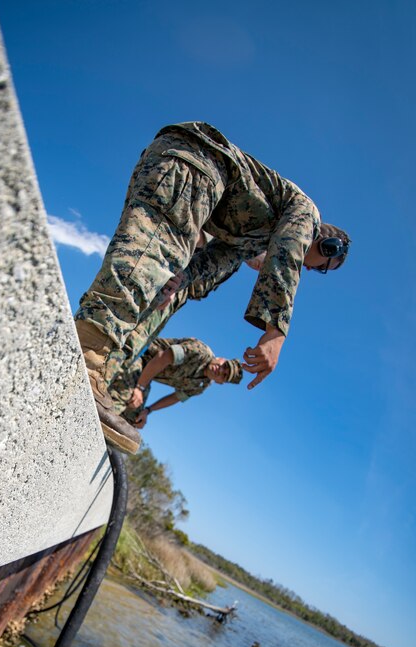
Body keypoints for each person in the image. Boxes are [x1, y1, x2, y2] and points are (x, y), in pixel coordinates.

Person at [74, 121, 350, 454]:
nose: (308, 266)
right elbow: (289, 251)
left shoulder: (253, 239)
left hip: (182, 169)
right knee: (147, 259)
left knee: (153, 267)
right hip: (197, 166)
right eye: (317, 261)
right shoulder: (307, 214)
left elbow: (213, 260)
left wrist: (181, 280)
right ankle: (85, 365)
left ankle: (90, 360)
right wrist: (275, 331)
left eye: (315, 270)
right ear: (326, 242)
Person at [109, 337, 243, 430]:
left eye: (224, 375)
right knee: (125, 396)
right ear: (220, 359)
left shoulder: (201, 386)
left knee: (133, 418)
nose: (220, 370)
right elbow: (162, 357)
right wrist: (139, 388)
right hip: (140, 354)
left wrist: (147, 410)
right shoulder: (200, 352)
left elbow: (175, 398)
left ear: (220, 383)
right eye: (224, 365)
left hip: (146, 375)